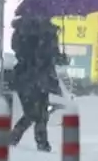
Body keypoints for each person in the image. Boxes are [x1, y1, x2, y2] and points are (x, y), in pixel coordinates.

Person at [10, 15, 66, 151]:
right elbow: (51, 55)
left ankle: (19, 140)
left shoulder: (21, 29)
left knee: (35, 113)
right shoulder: (48, 33)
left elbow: (17, 49)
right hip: (41, 77)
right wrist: (59, 57)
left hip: (26, 77)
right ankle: (36, 142)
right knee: (38, 113)